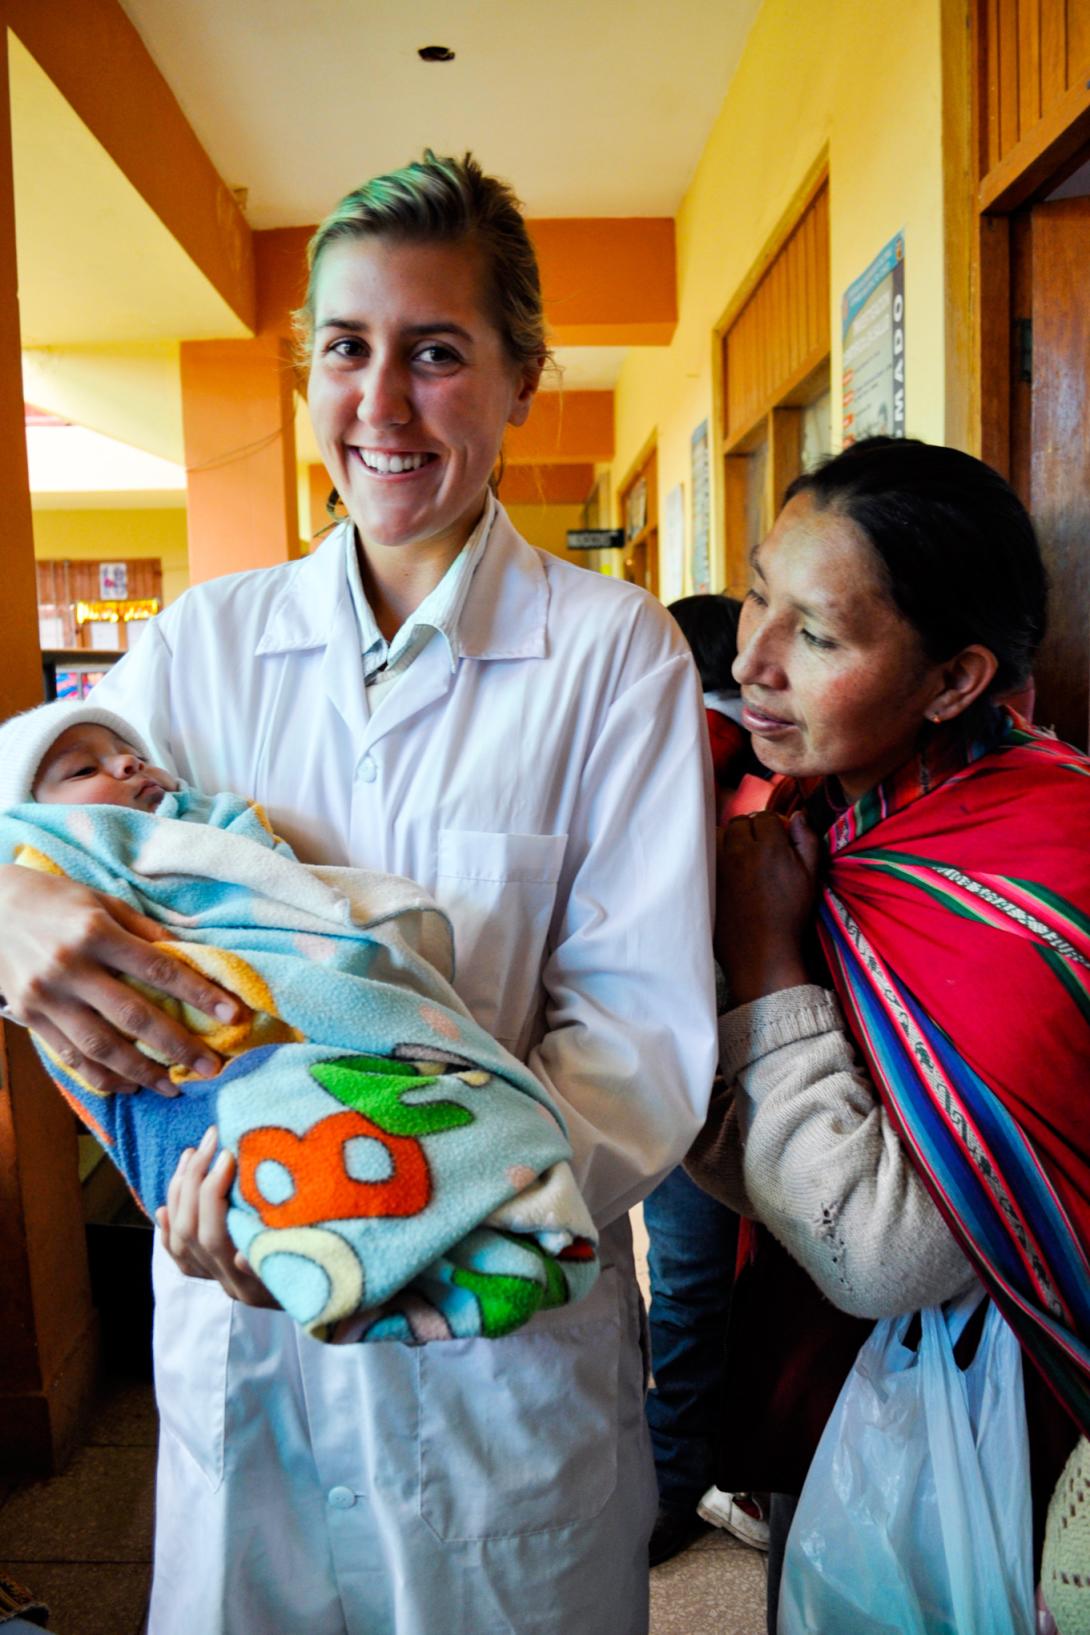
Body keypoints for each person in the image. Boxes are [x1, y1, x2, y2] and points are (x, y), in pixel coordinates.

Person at [0, 152, 716, 1635]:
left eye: (436, 352)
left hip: (495, 1358)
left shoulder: (609, 654)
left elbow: (636, 1046)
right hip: (238, 1332)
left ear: (522, 374)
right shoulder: (205, 643)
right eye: (345, 347)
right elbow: (48, 814)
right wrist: (11, 908)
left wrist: (364, 1219)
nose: (380, 404)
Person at [685, 436, 1089, 1631]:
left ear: (954, 681)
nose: (752, 659)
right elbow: (731, 1160)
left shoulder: (1043, 863)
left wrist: (760, 960)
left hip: (1012, 1435)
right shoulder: (828, 817)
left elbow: (884, 1255)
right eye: (760, 590)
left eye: (815, 635)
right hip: (854, 1407)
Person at [0, 700, 599, 1343]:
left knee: (465, 1114)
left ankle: (504, 1216)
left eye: (135, 756)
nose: (127, 760)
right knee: (287, 1133)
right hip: (216, 1061)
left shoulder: (211, 822)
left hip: (339, 1019)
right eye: (86, 767)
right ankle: (377, 1250)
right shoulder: (62, 849)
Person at [643, 595, 767, 1565]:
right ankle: (701, 1475)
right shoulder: (775, 776)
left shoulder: (663, 756)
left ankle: (670, 1479)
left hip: (660, 1059)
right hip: (751, 1074)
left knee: (670, 1282)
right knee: (713, 1286)